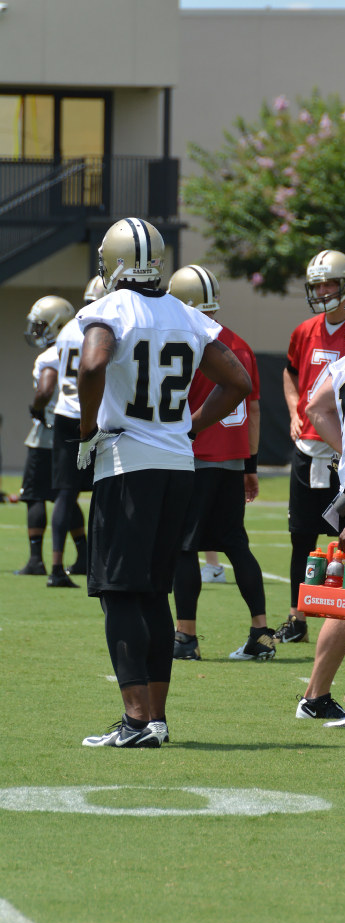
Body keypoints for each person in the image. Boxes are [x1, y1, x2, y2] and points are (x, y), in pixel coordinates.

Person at [77, 218, 251, 748]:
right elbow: (238, 382)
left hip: (128, 464)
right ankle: (154, 719)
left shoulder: (107, 309)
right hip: (179, 467)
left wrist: (87, 432)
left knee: (119, 592)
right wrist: (189, 426)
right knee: (155, 590)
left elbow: (92, 365)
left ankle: (134, 722)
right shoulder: (182, 311)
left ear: (114, 261)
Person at [164, 264, 273, 663]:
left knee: (184, 547)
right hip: (231, 458)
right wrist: (250, 465)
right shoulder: (239, 344)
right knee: (237, 546)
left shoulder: (184, 340)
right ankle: (261, 632)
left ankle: (185, 636)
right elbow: (255, 411)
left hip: (192, 455)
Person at [276, 250, 345, 645]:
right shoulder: (304, 330)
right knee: (302, 535)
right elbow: (290, 372)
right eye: (317, 285)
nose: (323, 291)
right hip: (310, 450)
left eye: (329, 283)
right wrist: (296, 411)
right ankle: (297, 617)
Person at [14, 294, 86, 576]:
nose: (38, 331)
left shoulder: (50, 355)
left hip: (49, 429)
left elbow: (45, 389)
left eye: (43, 325)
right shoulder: (81, 344)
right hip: (75, 425)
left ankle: (36, 560)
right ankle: (84, 554)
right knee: (65, 494)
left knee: (34, 495)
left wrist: (36, 407)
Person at [47, 276, 106, 587]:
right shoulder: (102, 327)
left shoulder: (69, 327)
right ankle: (98, 562)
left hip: (64, 414)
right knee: (103, 490)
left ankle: (56, 566)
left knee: (65, 494)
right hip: (93, 415)